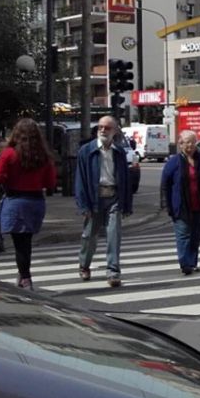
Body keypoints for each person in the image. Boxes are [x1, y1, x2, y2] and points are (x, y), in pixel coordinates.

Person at [0, 119, 57, 290]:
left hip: (15, 201)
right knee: (25, 242)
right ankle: (23, 275)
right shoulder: (43, 156)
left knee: (20, 244)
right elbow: (50, 183)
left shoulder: (9, 154)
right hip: (35, 201)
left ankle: (26, 277)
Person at [74, 116, 132, 288]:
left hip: (113, 197)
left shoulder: (119, 152)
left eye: (107, 128)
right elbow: (80, 180)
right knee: (89, 235)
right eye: (100, 127)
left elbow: (125, 179)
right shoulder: (86, 151)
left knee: (114, 235)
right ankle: (84, 265)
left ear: (115, 131)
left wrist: (127, 204)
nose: (103, 130)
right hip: (94, 198)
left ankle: (113, 272)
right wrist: (83, 205)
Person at [160, 130, 200, 275]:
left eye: (193, 142)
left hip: (198, 202)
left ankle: (192, 262)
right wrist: (166, 204)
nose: (190, 145)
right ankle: (185, 264)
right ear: (180, 144)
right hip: (181, 204)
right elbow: (165, 184)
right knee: (183, 234)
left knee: (196, 235)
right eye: (187, 142)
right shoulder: (174, 162)